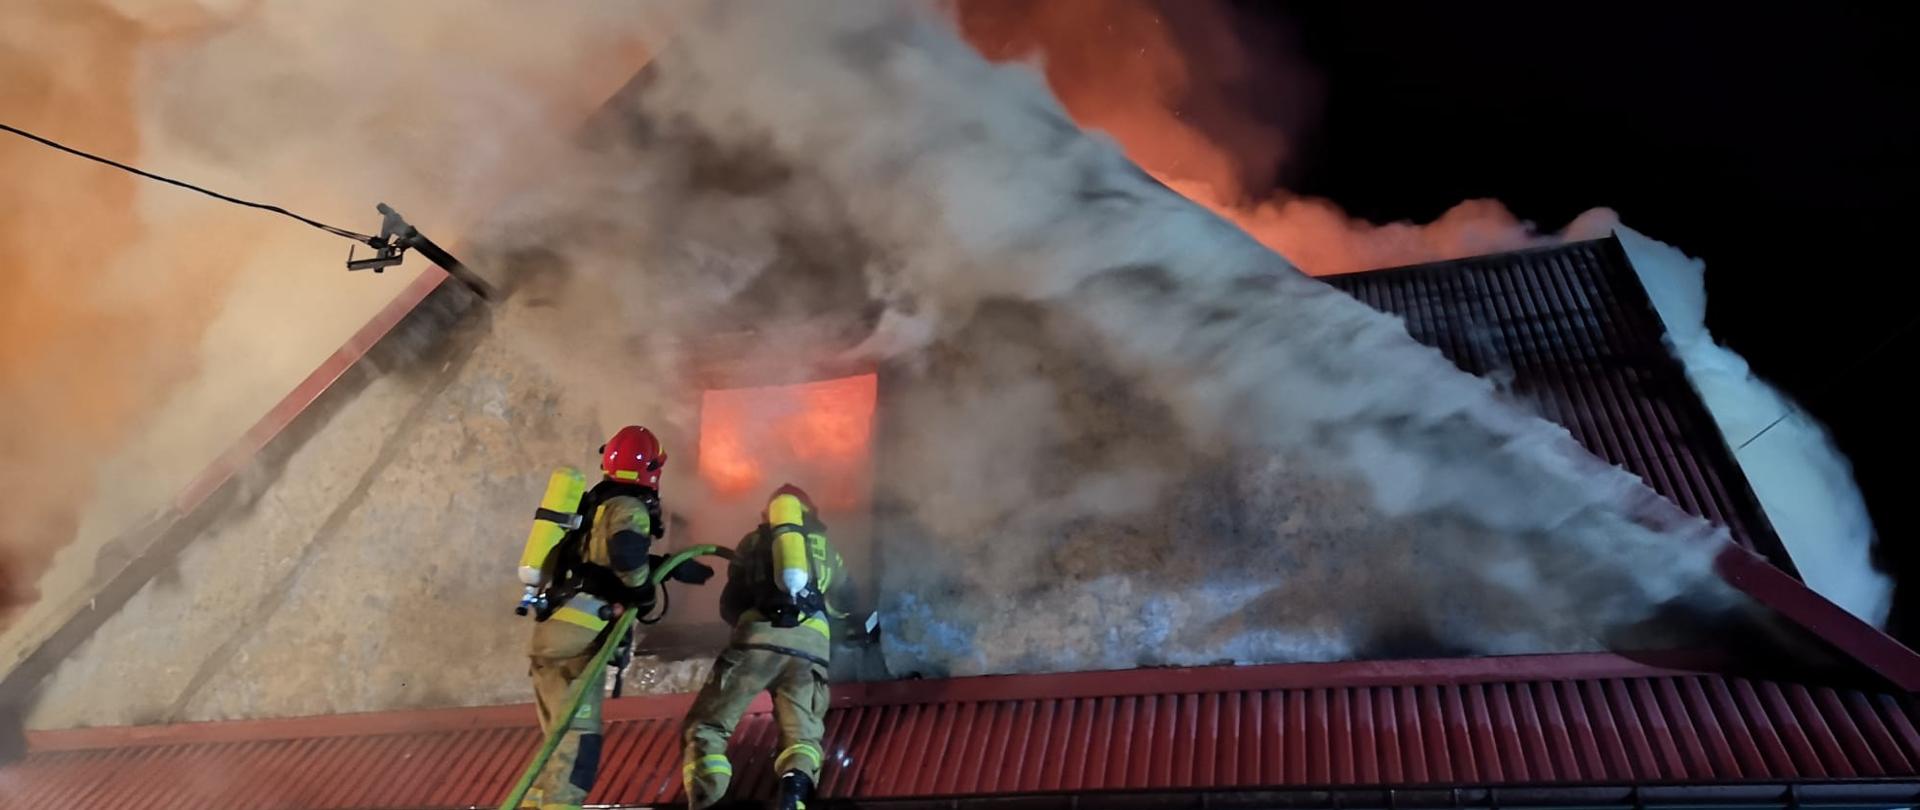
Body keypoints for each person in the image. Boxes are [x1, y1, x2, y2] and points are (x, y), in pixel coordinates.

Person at [524, 426, 710, 810]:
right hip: (580, 640)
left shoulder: (596, 506)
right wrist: (642, 591)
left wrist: (668, 566)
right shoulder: (630, 506)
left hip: (551, 634)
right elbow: (626, 553)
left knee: (556, 749)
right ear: (652, 469)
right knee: (579, 751)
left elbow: (599, 563)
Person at [681, 483, 852, 810]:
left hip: (757, 642)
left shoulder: (752, 542)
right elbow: (847, 603)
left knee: (707, 726)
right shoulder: (827, 548)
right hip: (810, 651)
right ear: (810, 513)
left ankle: (708, 799)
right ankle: (793, 798)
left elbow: (730, 605)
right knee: (802, 738)